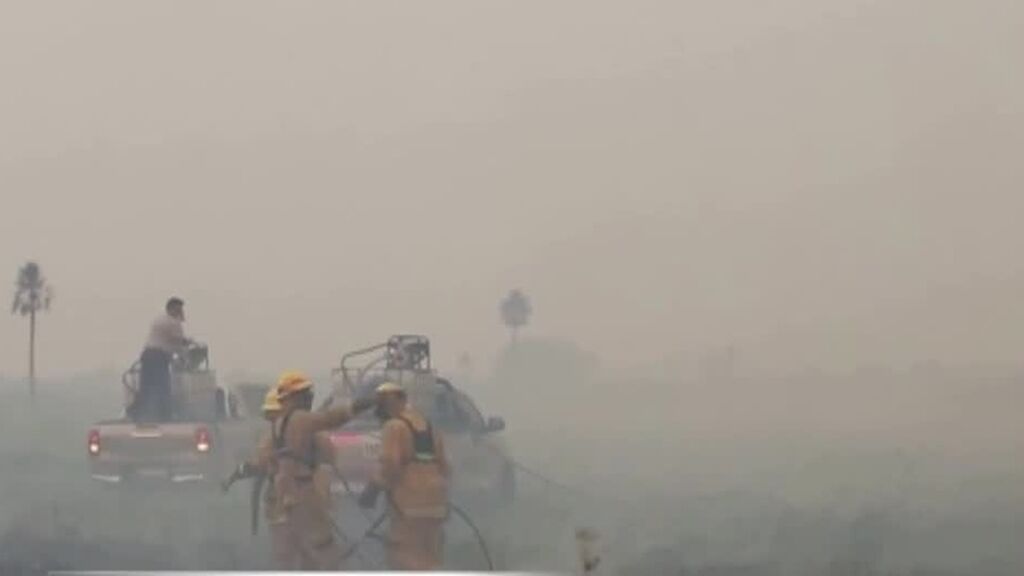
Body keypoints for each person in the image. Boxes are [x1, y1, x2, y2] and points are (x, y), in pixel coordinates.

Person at [271, 371, 375, 570]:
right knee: (323, 545)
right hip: (302, 491)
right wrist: (357, 406)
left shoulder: (281, 422)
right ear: (293, 397)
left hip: (288, 492)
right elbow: (329, 419)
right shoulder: (300, 418)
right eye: (305, 394)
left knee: (303, 549)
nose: (309, 398)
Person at [359, 382, 451, 571]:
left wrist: (373, 488)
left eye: (383, 404)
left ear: (396, 401)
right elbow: (445, 468)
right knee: (430, 558)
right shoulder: (429, 427)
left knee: (403, 557)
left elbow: (391, 464)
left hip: (408, 507)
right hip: (436, 507)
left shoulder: (394, 426)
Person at [133, 297, 191, 422]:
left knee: (146, 387)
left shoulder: (159, 319)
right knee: (163, 387)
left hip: (147, 355)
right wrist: (185, 356)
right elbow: (178, 343)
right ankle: (165, 416)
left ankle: (141, 415)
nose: (180, 312)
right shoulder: (173, 323)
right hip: (158, 357)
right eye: (179, 309)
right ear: (172, 309)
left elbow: (169, 340)